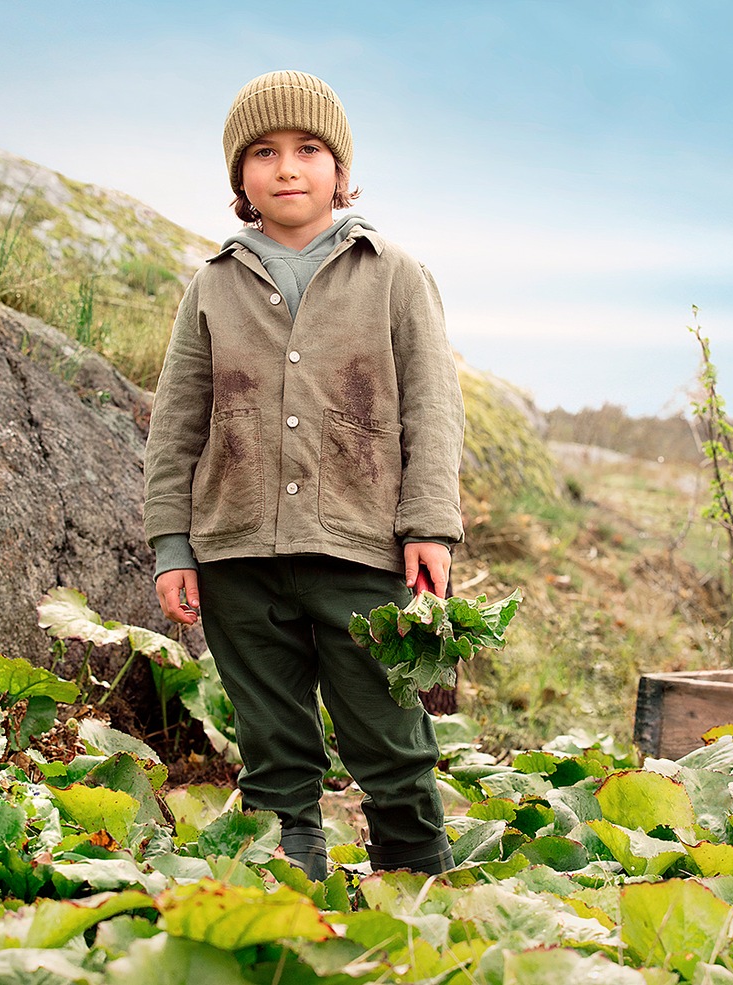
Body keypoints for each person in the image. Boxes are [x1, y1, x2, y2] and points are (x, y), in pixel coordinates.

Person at [143, 70, 465, 879]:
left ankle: (416, 875)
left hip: (360, 549)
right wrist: (172, 544)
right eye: (265, 152)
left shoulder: (395, 275)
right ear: (240, 179)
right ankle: (290, 885)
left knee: (386, 733)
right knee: (271, 742)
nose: (288, 167)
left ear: (339, 170)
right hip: (236, 555)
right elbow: (176, 420)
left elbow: (433, 406)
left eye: (308, 149)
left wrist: (428, 524)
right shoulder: (213, 285)